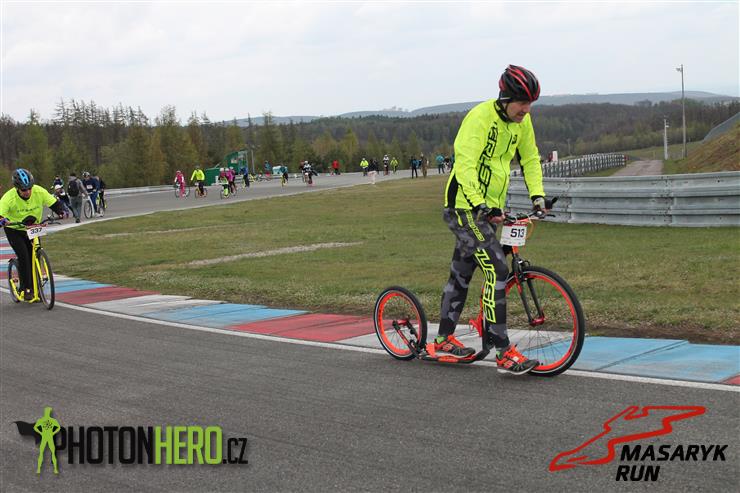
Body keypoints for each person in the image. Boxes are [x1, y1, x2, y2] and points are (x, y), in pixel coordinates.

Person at [433, 64, 548, 375]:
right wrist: (479, 203)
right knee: (497, 268)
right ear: (505, 98)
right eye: (522, 103)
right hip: (464, 206)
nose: (526, 110)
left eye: (530, 103)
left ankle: (443, 339)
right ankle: (503, 351)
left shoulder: (522, 122)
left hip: (488, 209)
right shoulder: (480, 118)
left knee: (461, 274)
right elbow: (465, 165)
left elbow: (530, 158)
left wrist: (538, 195)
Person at [0, 169, 66, 301]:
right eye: (24, 190)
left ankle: (38, 288)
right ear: (17, 188)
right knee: (24, 256)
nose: (28, 192)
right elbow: (1, 213)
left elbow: (53, 203)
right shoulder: (8, 197)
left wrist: (61, 211)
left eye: (29, 188)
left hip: (33, 227)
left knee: (35, 254)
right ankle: (26, 288)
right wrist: (2, 220)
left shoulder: (39, 191)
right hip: (15, 229)